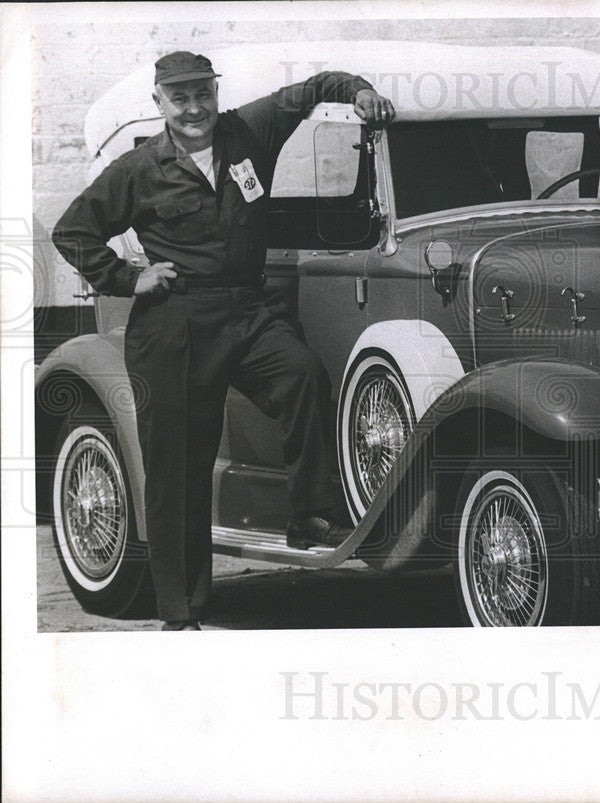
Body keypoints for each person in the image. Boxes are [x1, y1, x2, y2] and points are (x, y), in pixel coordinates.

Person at [52, 51, 395, 630]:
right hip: (173, 324)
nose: (194, 109)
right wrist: (128, 278)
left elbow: (311, 88)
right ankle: (181, 610)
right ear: (159, 103)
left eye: (202, 94)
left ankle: (310, 515)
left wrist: (359, 90)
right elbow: (72, 230)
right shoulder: (139, 169)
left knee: (302, 375)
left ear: (215, 93)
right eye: (179, 98)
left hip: (246, 309)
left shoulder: (248, 130)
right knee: (177, 466)